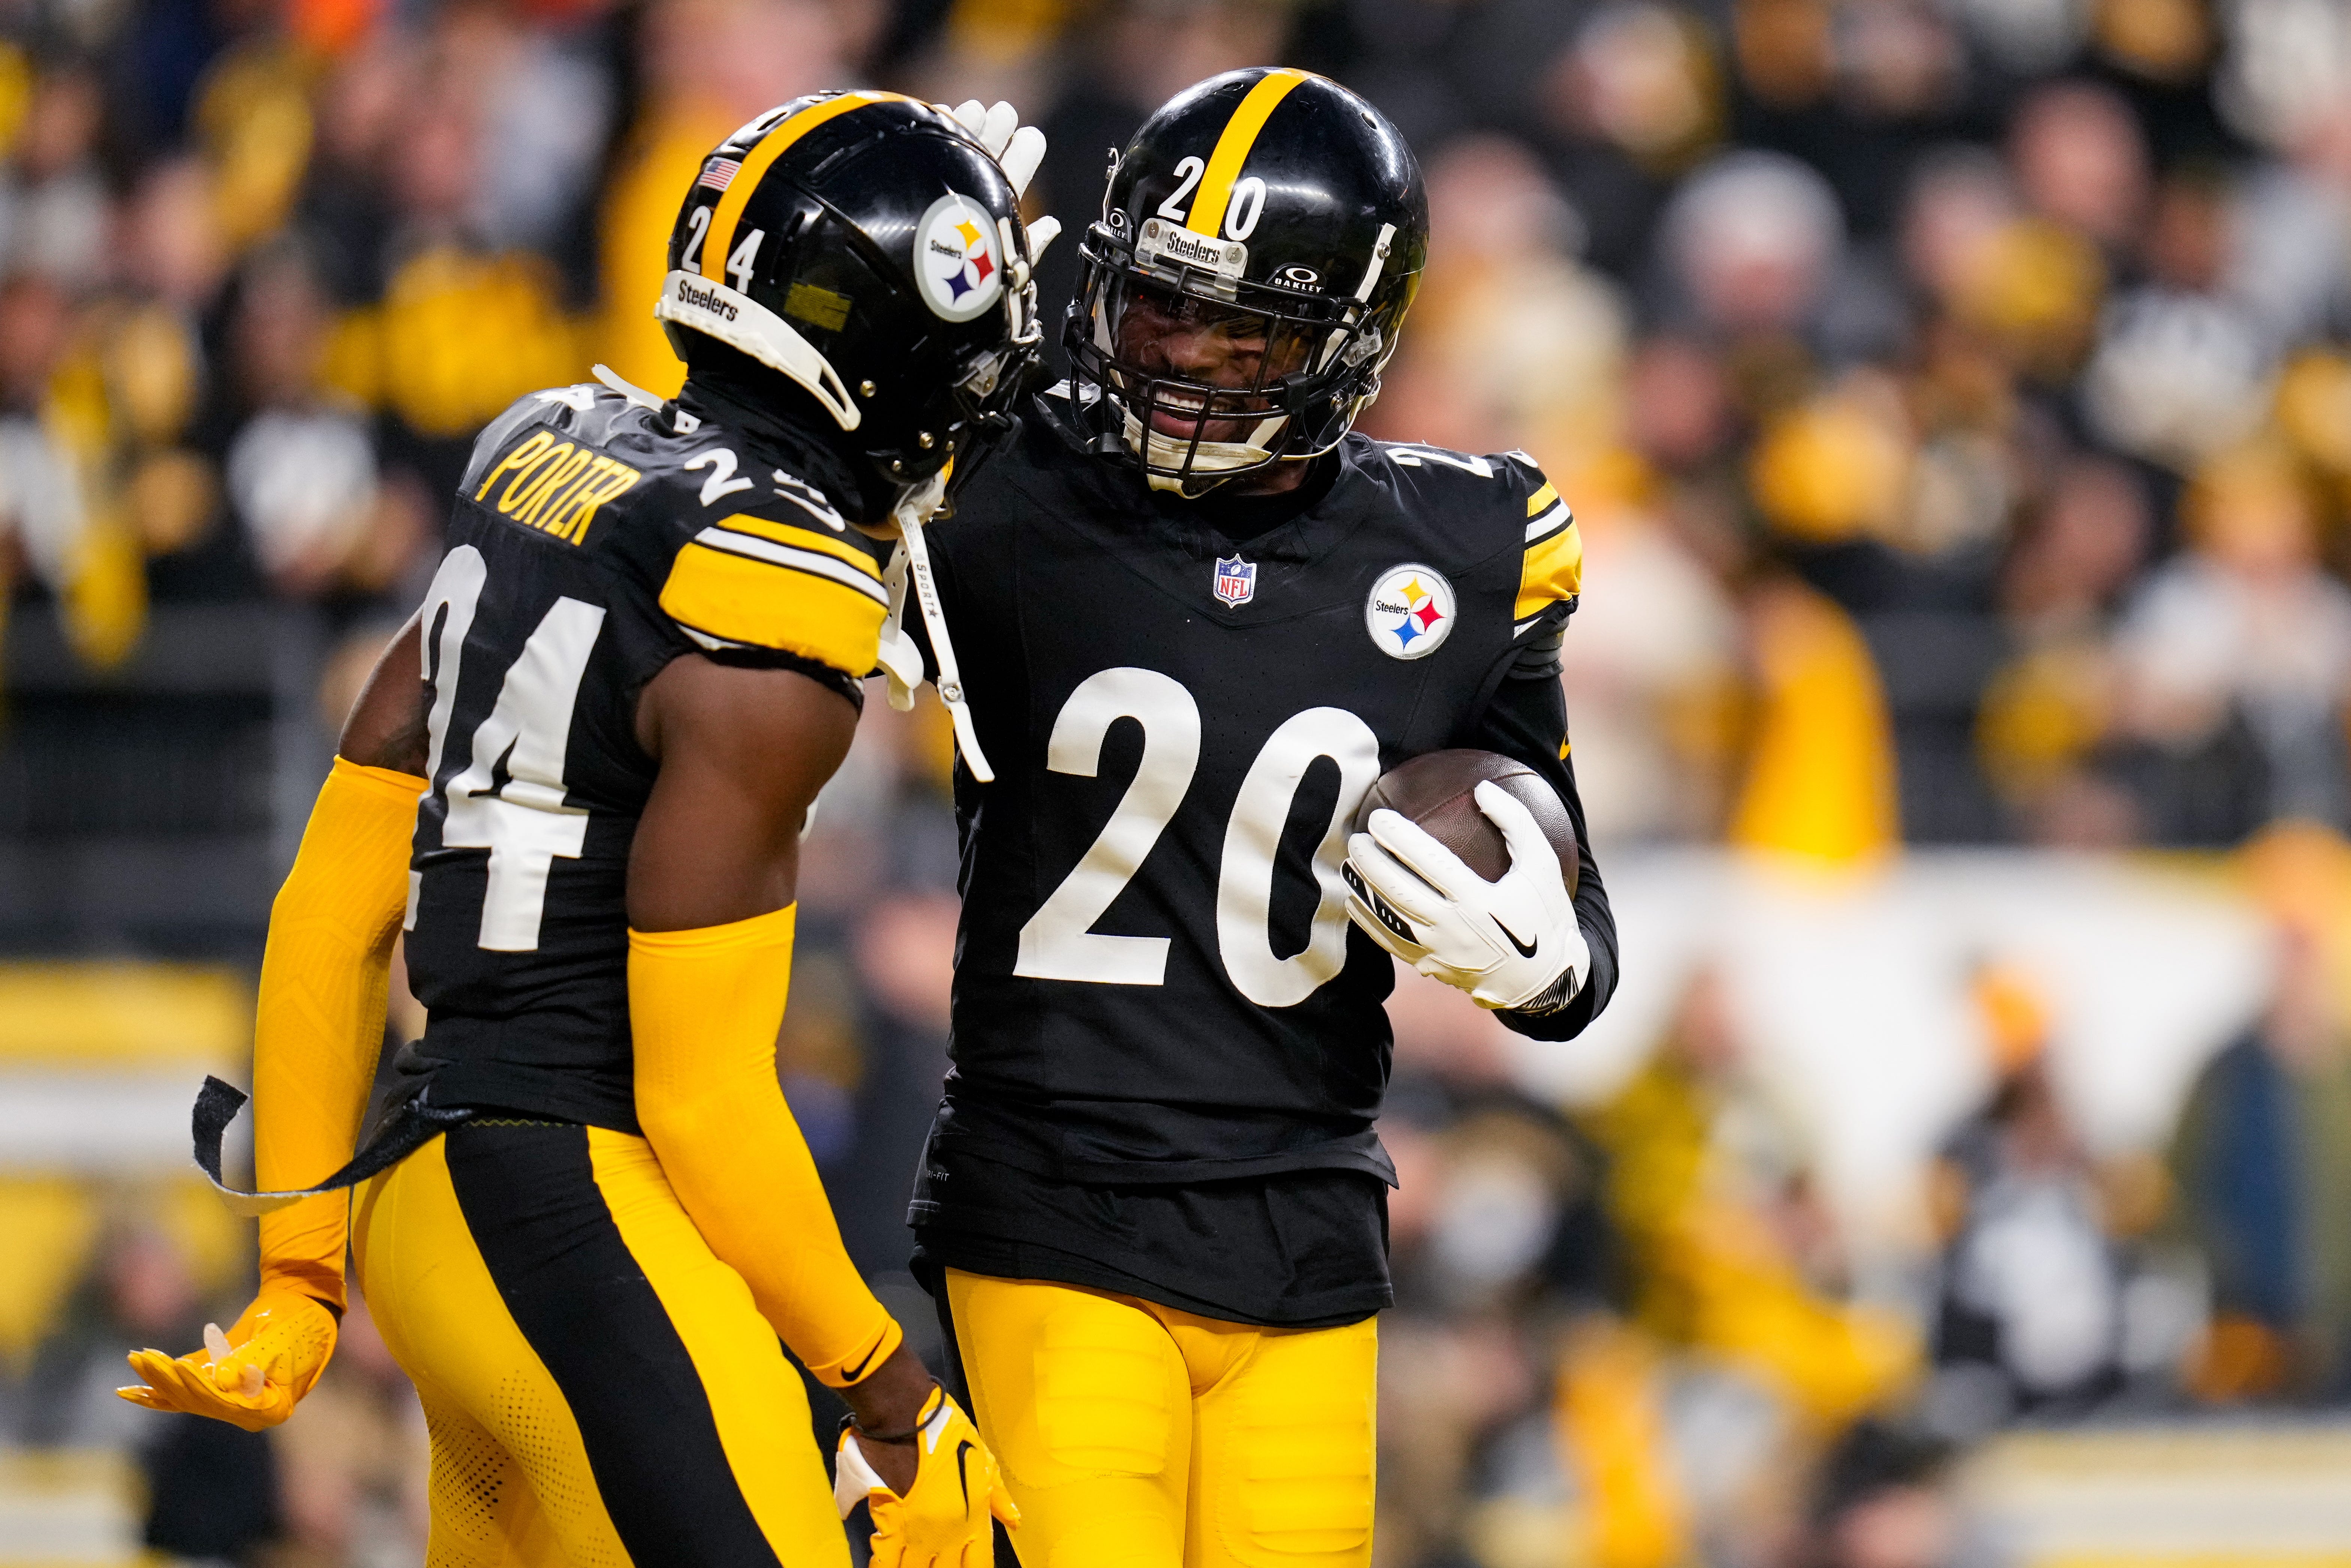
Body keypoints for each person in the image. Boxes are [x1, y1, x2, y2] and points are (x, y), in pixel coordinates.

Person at [116, 91, 1052, 1568]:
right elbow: (705, 1101)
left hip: (424, 1197)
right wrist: (894, 1394)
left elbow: (342, 880)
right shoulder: (768, 620)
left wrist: (299, 1270)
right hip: (581, 1204)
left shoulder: (558, 451)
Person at [892, 69, 1618, 1567]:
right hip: (1056, 1200)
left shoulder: (1472, 549)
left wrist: (1542, 960)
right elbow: (747, 469)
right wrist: (911, 298)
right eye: (1155, 301)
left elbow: (1580, 955)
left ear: (1345, 340)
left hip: (1310, 1224)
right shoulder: (1002, 485)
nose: (1173, 350)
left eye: (1236, 324)